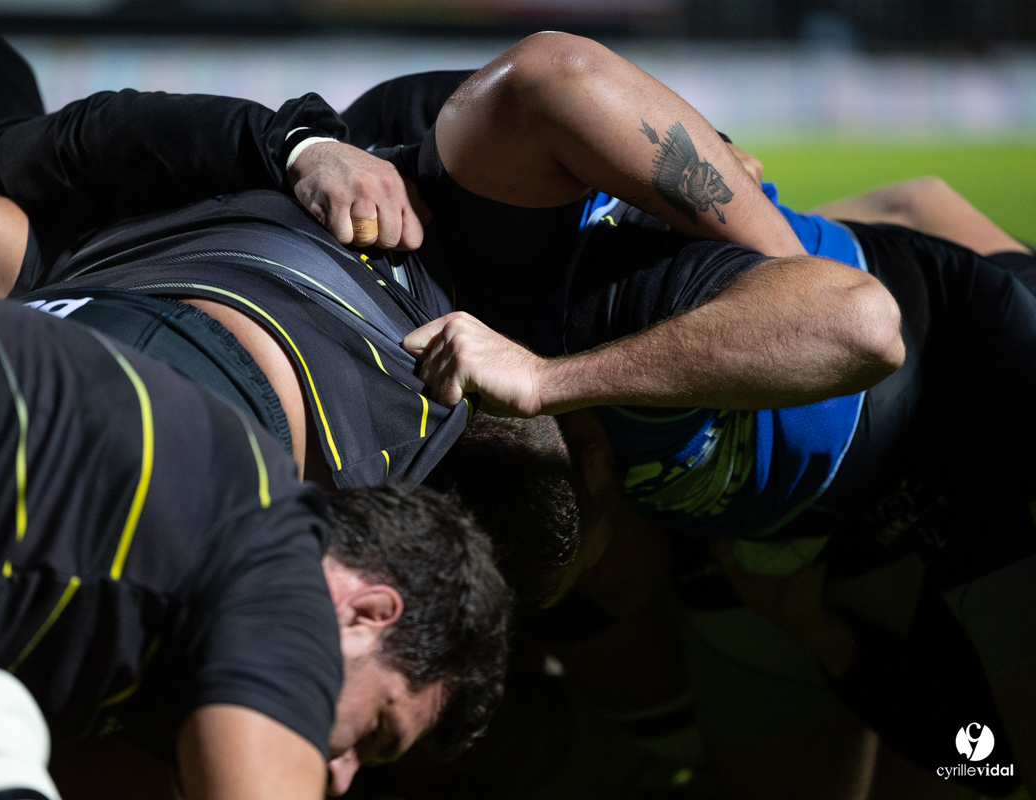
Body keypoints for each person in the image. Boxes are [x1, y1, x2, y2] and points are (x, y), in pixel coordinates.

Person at [342, 35, 1035, 798]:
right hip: (793, 522)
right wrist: (827, 639)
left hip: (958, 413)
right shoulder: (516, 429)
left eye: (601, 580)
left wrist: (549, 380)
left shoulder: (617, 328)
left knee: (997, 766)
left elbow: (862, 325)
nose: (616, 597)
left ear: (595, 465)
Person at [0, 35, 586, 607]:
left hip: (75, 276)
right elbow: (102, 140)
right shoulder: (386, 222)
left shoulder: (368, 347)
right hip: (63, 239)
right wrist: (302, 146)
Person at [0, 284, 511, 800]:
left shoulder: (180, 580)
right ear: (366, 614)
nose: (338, 778)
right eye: (374, 735)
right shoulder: (273, 558)